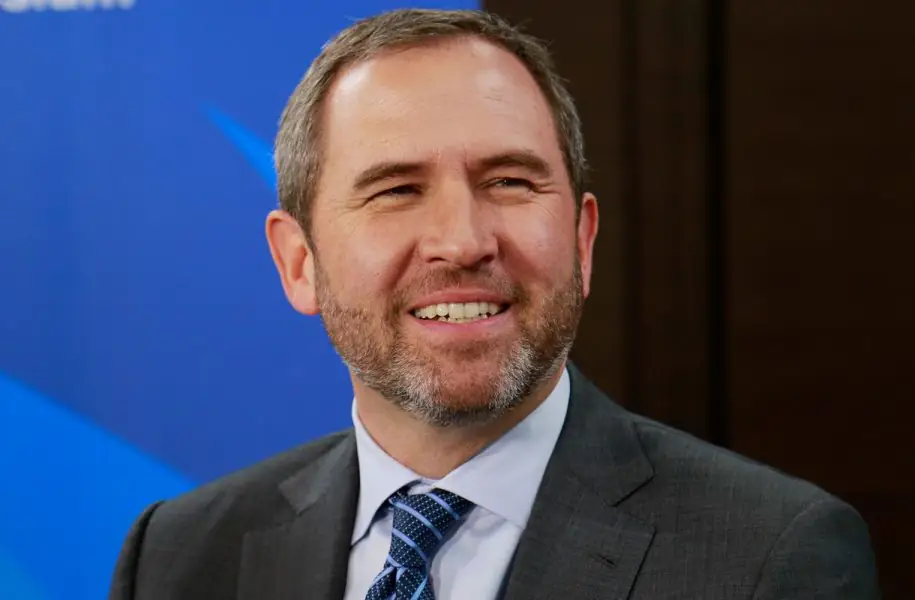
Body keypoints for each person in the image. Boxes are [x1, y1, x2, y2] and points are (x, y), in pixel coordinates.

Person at [108, 8, 880, 600]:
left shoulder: (771, 558)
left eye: (509, 182)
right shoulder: (180, 557)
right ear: (298, 262)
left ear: (581, 241)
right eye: (396, 190)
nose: (462, 241)